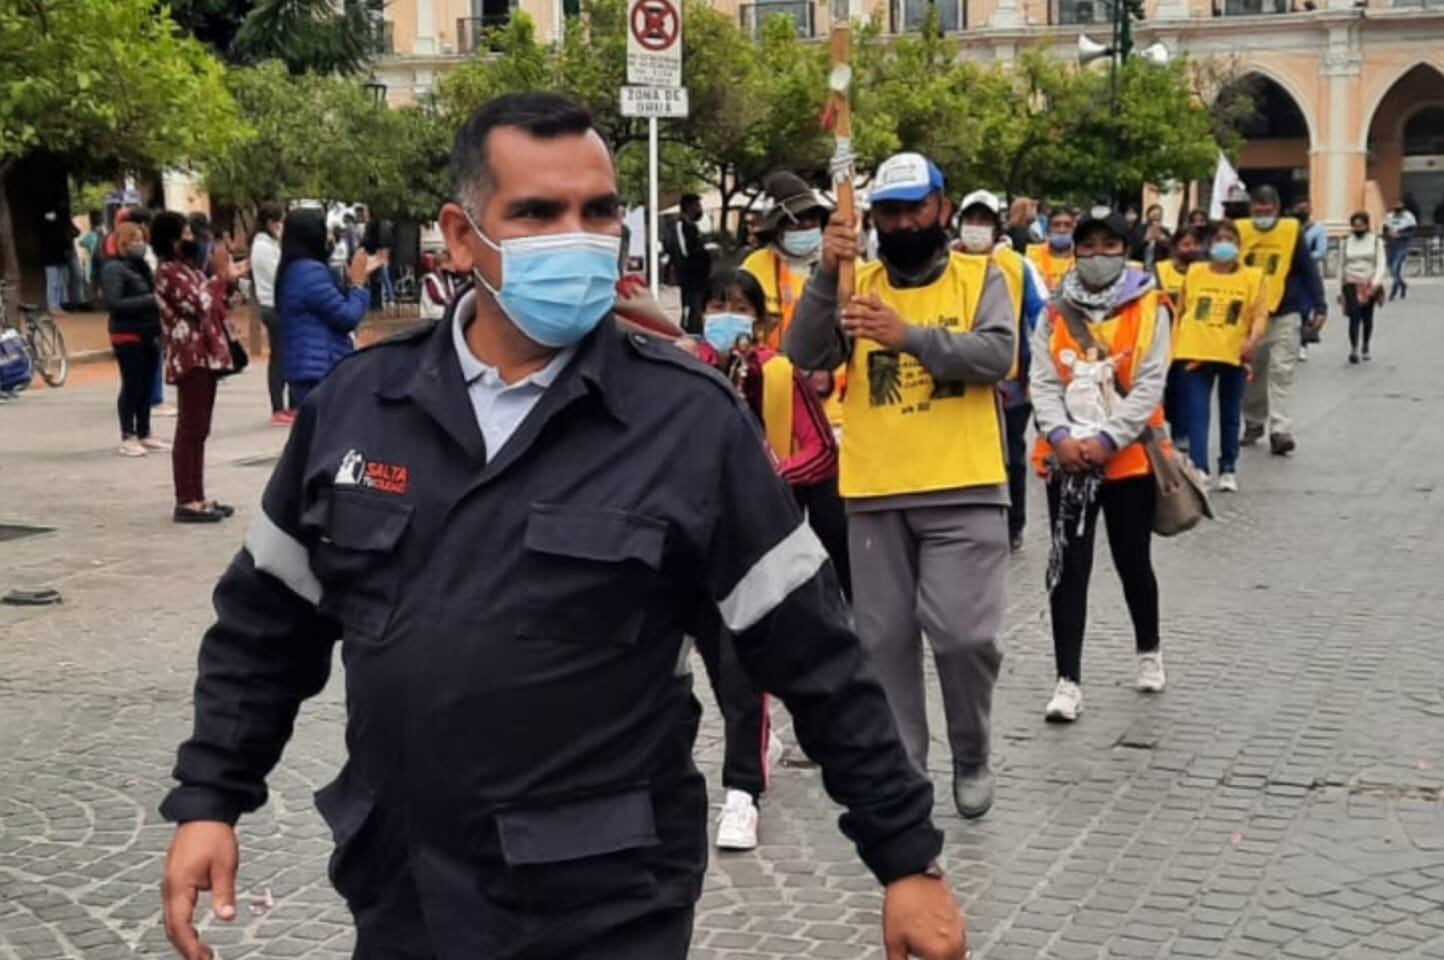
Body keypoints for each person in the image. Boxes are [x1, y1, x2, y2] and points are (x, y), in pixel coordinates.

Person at [159, 92, 966, 960]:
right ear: (462, 238)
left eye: (598, 211)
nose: (577, 237)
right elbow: (265, 625)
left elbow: (816, 655)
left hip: (604, 901)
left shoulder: (687, 423)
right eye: (538, 213)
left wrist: (906, 861)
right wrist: (213, 795)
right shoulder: (361, 406)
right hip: (404, 885)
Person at [787, 151, 1015, 820]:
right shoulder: (860, 282)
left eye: (917, 207)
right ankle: (906, 775)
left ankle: (970, 749)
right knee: (884, 643)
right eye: (890, 211)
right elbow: (805, 354)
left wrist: (908, 336)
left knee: (964, 637)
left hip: (965, 483)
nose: (906, 221)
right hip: (876, 490)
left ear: (942, 209)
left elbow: (996, 356)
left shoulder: (983, 277)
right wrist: (827, 274)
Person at [693, 268, 845, 851]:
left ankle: (741, 793)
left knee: (740, 666)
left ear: (759, 318)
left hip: (752, 543)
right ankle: (758, 740)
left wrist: (766, 480)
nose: (725, 313)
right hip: (694, 538)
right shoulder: (689, 370)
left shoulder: (778, 375)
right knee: (711, 654)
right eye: (715, 302)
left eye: (736, 305)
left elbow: (820, 451)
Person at [1029, 206, 1171, 723]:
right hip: (1065, 461)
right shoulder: (1052, 312)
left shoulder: (1151, 306)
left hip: (1127, 461)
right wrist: (1062, 436)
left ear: (1125, 251)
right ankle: (1067, 681)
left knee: (1132, 559)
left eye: (1108, 246)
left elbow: (1151, 383)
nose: (1095, 256)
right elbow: (1042, 380)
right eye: (1086, 246)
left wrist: (1108, 440)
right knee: (1069, 568)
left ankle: (1148, 648)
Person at [956, 189, 1048, 552]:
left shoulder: (1018, 265)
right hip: (957, 379)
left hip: (1009, 382)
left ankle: (1013, 524)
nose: (976, 228)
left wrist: (1037, 374)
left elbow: (1041, 316)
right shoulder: (944, 262)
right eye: (971, 220)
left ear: (997, 226)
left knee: (1009, 455)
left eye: (984, 221)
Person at [152, 211, 237, 524]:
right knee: (190, 428)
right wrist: (218, 275)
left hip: (206, 354)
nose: (193, 239)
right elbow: (199, 303)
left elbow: (216, 302)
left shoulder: (189, 269)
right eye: (186, 233)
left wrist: (226, 279)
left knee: (199, 428)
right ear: (173, 240)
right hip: (189, 355)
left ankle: (198, 495)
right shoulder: (167, 272)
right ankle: (186, 499)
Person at [1173, 219, 1268, 492]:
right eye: (1218, 239)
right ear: (1208, 244)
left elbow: (1259, 313)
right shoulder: (1195, 272)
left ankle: (1228, 467)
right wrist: (1174, 350)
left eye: (1230, 240)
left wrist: (1253, 341)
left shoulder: (1253, 277)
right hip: (1196, 351)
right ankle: (1199, 467)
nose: (1224, 245)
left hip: (1233, 352)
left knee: (1230, 413)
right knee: (1197, 412)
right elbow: (1182, 311)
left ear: (1239, 246)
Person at [1237, 185, 1326, 457]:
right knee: (1253, 374)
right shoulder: (1239, 231)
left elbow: (1307, 269)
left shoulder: (1290, 232)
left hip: (1285, 313)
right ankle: (1253, 422)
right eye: (1258, 211)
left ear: (1277, 209)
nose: (1263, 215)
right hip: (1251, 317)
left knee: (1281, 372)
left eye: (1268, 211)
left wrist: (1319, 304)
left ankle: (1280, 430)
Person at [276, 207, 375, 408]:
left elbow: (328, 307)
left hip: (307, 369)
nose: (330, 237)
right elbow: (346, 316)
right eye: (325, 230)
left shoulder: (294, 269)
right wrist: (358, 284)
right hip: (319, 370)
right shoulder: (309, 272)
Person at [101, 221, 168, 459]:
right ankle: (128, 435)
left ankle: (145, 431)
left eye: (142, 239)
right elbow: (114, 303)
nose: (140, 244)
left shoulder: (142, 266)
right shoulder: (113, 269)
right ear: (123, 242)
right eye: (134, 240)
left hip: (148, 331)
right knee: (132, 384)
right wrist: (151, 300)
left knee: (148, 383)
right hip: (126, 332)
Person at [742, 171, 830, 349]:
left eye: (812, 218)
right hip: (768, 370)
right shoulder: (754, 266)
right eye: (794, 220)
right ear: (775, 228)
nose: (806, 225)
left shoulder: (843, 265)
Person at [1155, 226, 1203, 446]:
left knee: (1185, 389)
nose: (1190, 249)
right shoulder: (1160, 270)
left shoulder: (1205, 272)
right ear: (1174, 248)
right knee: (1167, 389)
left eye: (1194, 244)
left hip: (1191, 341)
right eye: (1185, 244)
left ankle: (1182, 433)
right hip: (1164, 340)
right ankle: (1169, 421)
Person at [250, 202, 290, 426]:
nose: (281, 226)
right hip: (272, 305)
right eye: (279, 222)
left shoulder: (273, 243)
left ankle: (284, 405)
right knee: (279, 357)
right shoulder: (262, 246)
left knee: (283, 355)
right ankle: (278, 406)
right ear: (269, 222)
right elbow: (277, 273)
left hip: (278, 304)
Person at [1340, 211, 1387, 364]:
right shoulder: (1346, 242)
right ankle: (1354, 348)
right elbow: (1341, 265)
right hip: (1351, 282)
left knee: (1367, 316)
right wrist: (1340, 287)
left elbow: (1381, 263)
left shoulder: (1375, 242)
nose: (1357, 229)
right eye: (1355, 226)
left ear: (1367, 225)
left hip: (1369, 282)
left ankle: (1365, 345)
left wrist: (1375, 282)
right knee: (1354, 316)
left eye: (1361, 226)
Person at [668, 193, 712, 335]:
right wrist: (703, 254)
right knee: (691, 308)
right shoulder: (681, 226)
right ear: (688, 207)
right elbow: (684, 252)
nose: (700, 209)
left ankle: (696, 332)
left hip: (699, 278)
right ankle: (688, 333)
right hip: (690, 277)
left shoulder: (692, 227)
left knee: (697, 309)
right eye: (697, 205)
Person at [1293, 200, 1327, 361]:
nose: (1301, 211)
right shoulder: (1291, 228)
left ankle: (1303, 344)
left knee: (1305, 310)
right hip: (1292, 275)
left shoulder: (1317, 230)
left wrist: (1303, 258)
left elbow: (1321, 251)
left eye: (1304, 209)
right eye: (1299, 208)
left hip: (1309, 273)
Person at [38, 204, 77, 312]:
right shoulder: (44, 226)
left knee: (59, 283)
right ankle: (52, 306)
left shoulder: (59, 225)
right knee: (53, 283)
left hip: (60, 258)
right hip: (50, 260)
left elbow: (65, 240)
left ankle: (57, 305)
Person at [1027, 207, 1077, 291]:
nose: (1062, 230)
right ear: (1048, 229)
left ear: (1074, 229)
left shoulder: (1082, 256)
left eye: (1067, 225)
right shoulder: (1031, 255)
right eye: (1056, 225)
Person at [1383, 200, 1416, 301]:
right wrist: (1388, 234)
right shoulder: (1389, 216)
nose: (1397, 207)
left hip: (1401, 246)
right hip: (1390, 245)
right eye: (1395, 205)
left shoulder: (1409, 217)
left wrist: (1401, 235)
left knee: (1395, 267)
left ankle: (1393, 292)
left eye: (1399, 205)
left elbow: (1411, 232)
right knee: (1391, 269)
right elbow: (1384, 229)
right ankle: (1402, 284)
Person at [419, 249, 462, 320]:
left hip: (444, 308)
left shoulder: (447, 278)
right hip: (432, 311)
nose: (448, 266)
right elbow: (435, 297)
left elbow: (451, 293)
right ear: (438, 266)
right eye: (446, 263)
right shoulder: (430, 279)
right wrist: (448, 303)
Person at [1131, 204, 1171, 268]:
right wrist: (1145, 240)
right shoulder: (1139, 230)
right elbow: (1132, 250)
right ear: (1147, 216)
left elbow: (1172, 251)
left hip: (1158, 268)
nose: (1156, 217)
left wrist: (1164, 242)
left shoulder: (1165, 232)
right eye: (1154, 215)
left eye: (1159, 215)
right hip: (1140, 267)